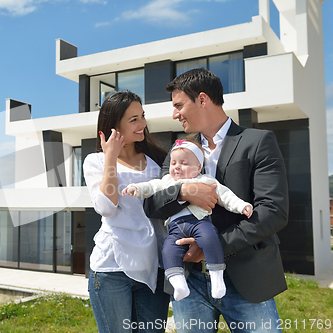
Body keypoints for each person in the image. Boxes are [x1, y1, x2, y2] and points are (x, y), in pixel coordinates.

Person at [143, 68, 289, 332]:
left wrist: (212, 247)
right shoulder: (178, 151)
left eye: (178, 105)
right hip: (190, 282)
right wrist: (183, 192)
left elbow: (272, 211)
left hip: (246, 278)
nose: (174, 114)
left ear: (202, 99)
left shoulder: (258, 142)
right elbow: (152, 204)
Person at [122, 137, 253, 302]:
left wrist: (241, 206)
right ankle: (179, 285)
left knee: (209, 238)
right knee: (168, 250)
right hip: (176, 228)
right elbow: (151, 187)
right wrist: (136, 188)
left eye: (184, 163)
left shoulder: (205, 180)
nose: (177, 167)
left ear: (198, 167)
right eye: (173, 163)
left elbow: (225, 196)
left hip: (199, 222)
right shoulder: (167, 181)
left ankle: (217, 278)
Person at [83, 90, 169, 333]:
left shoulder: (158, 161)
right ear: (114, 126)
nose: (142, 124)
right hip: (111, 268)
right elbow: (106, 208)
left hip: (153, 265)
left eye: (142, 116)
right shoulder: (95, 161)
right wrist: (110, 157)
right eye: (133, 119)